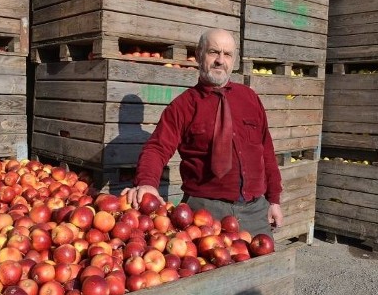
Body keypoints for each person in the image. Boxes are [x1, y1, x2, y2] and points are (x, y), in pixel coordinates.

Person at [121, 28, 283, 236]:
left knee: (266, 268)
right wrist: (147, 183)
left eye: (227, 54)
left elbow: (266, 151)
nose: (220, 60)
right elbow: (157, 148)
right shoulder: (182, 106)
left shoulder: (249, 99)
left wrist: (274, 200)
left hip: (255, 212)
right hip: (205, 214)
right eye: (214, 52)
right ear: (199, 55)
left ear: (234, 60)